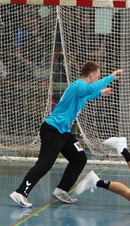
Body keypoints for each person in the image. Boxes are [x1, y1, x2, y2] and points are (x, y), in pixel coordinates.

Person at [10, 61, 121, 207]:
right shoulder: (78, 85)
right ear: (91, 75)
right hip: (53, 130)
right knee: (45, 164)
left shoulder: (81, 91)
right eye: (98, 76)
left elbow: (88, 95)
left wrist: (101, 92)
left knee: (79, 158)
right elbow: (90, 89)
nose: (98, 79)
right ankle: (20, 192)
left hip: (64, 132)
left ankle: (61, 190)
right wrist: (110, 77)